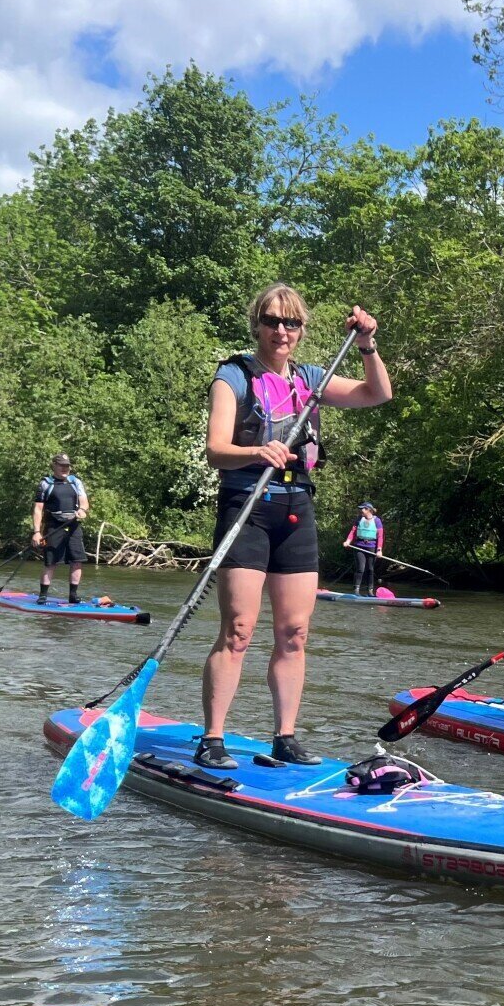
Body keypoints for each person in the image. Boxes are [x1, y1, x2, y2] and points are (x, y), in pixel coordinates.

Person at [196, 285, 392, 769]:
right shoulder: (233, 376)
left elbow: (377, 393)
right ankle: (213, 738)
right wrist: (254, 452)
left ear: (302, 330)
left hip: (296, 507)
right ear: (257, 324)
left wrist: (368, 345)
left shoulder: (310, 378)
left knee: (295, 632)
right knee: (239, 629)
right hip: (247, 504)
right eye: (271, 320)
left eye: (291, 323)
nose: (280, 331)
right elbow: (216, 448)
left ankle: (285, 736)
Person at [31, 453, 91, 603]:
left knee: (77, 560)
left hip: (73, 525)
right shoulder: (45, 483)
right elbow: (38, 509)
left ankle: (73, 595)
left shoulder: (75, 481)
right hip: (53, 526)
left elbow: (84, 502)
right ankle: (43, 595)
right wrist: (37, 533)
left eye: (67, 466)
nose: (65, 468)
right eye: (62, 465)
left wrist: (82, 510)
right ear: (54, 466)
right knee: (51, 562)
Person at [343, 502, 384, 595]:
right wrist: (348, 541)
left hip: (371, 547)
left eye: (362, 509)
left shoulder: (377, 521)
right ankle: (356, 591)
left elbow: (380, 536)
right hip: (359, 546)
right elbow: (353, 532)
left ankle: (370, 591)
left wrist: (379, 550)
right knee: (360, 569)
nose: (360, 510)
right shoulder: (359, 519)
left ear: (368, 510)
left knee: (370, 569)